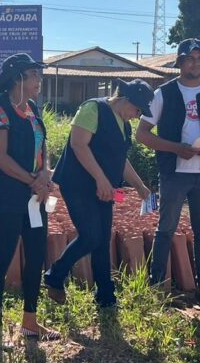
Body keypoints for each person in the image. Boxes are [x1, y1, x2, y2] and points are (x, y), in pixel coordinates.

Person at [136, 38, 200, 307]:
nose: (196, 63)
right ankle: (157, 286)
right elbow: (142, 134)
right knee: (166, 229)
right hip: (174, 173)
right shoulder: (163, 93)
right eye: (190, 58)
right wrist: (176, 148)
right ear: (179, 62)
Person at [45, 80, 154, 308]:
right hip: (77, 184)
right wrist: (101, 179)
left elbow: (121, 160)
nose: (137, 116)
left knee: (102, 240)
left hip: (103, 190)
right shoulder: (93, 108)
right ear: (125, 100)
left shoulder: (124, 125)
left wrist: (140, 186)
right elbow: (78, 145)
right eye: (137, 110)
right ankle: (55, 276)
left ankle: (105, 295)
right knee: (91, 236)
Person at [0, 53, 52, 355]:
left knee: (36, 256)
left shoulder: (32, 109)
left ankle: (30, 322)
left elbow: (43, 146)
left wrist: (44, 174)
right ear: (17, 78)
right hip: (6, 198)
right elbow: (0, 158)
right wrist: (33, 180)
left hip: (34, 198)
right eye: (34, 75)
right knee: (3, 257)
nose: (39, 80)